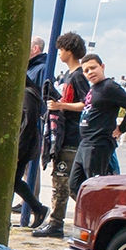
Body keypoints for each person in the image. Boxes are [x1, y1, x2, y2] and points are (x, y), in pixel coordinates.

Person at [33, 30, 89, 238]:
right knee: (62, 180)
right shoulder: (69, 75)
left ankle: (56, 222)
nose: (59, 53)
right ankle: (57, 221)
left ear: (69, 51)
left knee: (63, 181)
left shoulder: (78, 76)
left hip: (71, 136)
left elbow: (85, 103)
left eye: (61, 50)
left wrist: (60, 105)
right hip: (66, 136)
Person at [68, 53, 126, 201]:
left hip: (98, 144)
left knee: (95, 189)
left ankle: (99, 219)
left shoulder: (109, 87)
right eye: (86, 71)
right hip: (85, 143)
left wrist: (121, 128)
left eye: (93, 68)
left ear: (102, 67)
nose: (90, 72)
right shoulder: (94, 88)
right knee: (74, 186)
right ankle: (90, 214)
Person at [13, 75, 49, 227]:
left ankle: (38, 208)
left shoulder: (27, 94)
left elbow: (28, 123)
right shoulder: (28, 93)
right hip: (25, 144)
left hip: (24, 146)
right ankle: (38, 208)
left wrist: (18, 152)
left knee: (13, 180)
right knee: (14, 181)